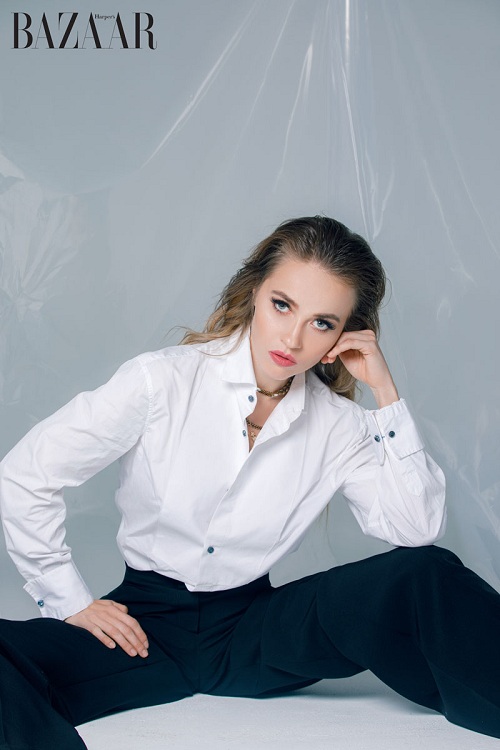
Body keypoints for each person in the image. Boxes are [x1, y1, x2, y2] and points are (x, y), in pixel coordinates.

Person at [0, 215, 499, 749]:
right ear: (254, 291)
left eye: (322, 322)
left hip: (254, 634)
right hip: (142, 629)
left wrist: (385, 395)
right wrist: (70, 601)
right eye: (283, 305)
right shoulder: (163, 380)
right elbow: (25, 476)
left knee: (424, 573)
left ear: (345, 334)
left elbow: (417, 528)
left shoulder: (341, 425)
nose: (293, 338)